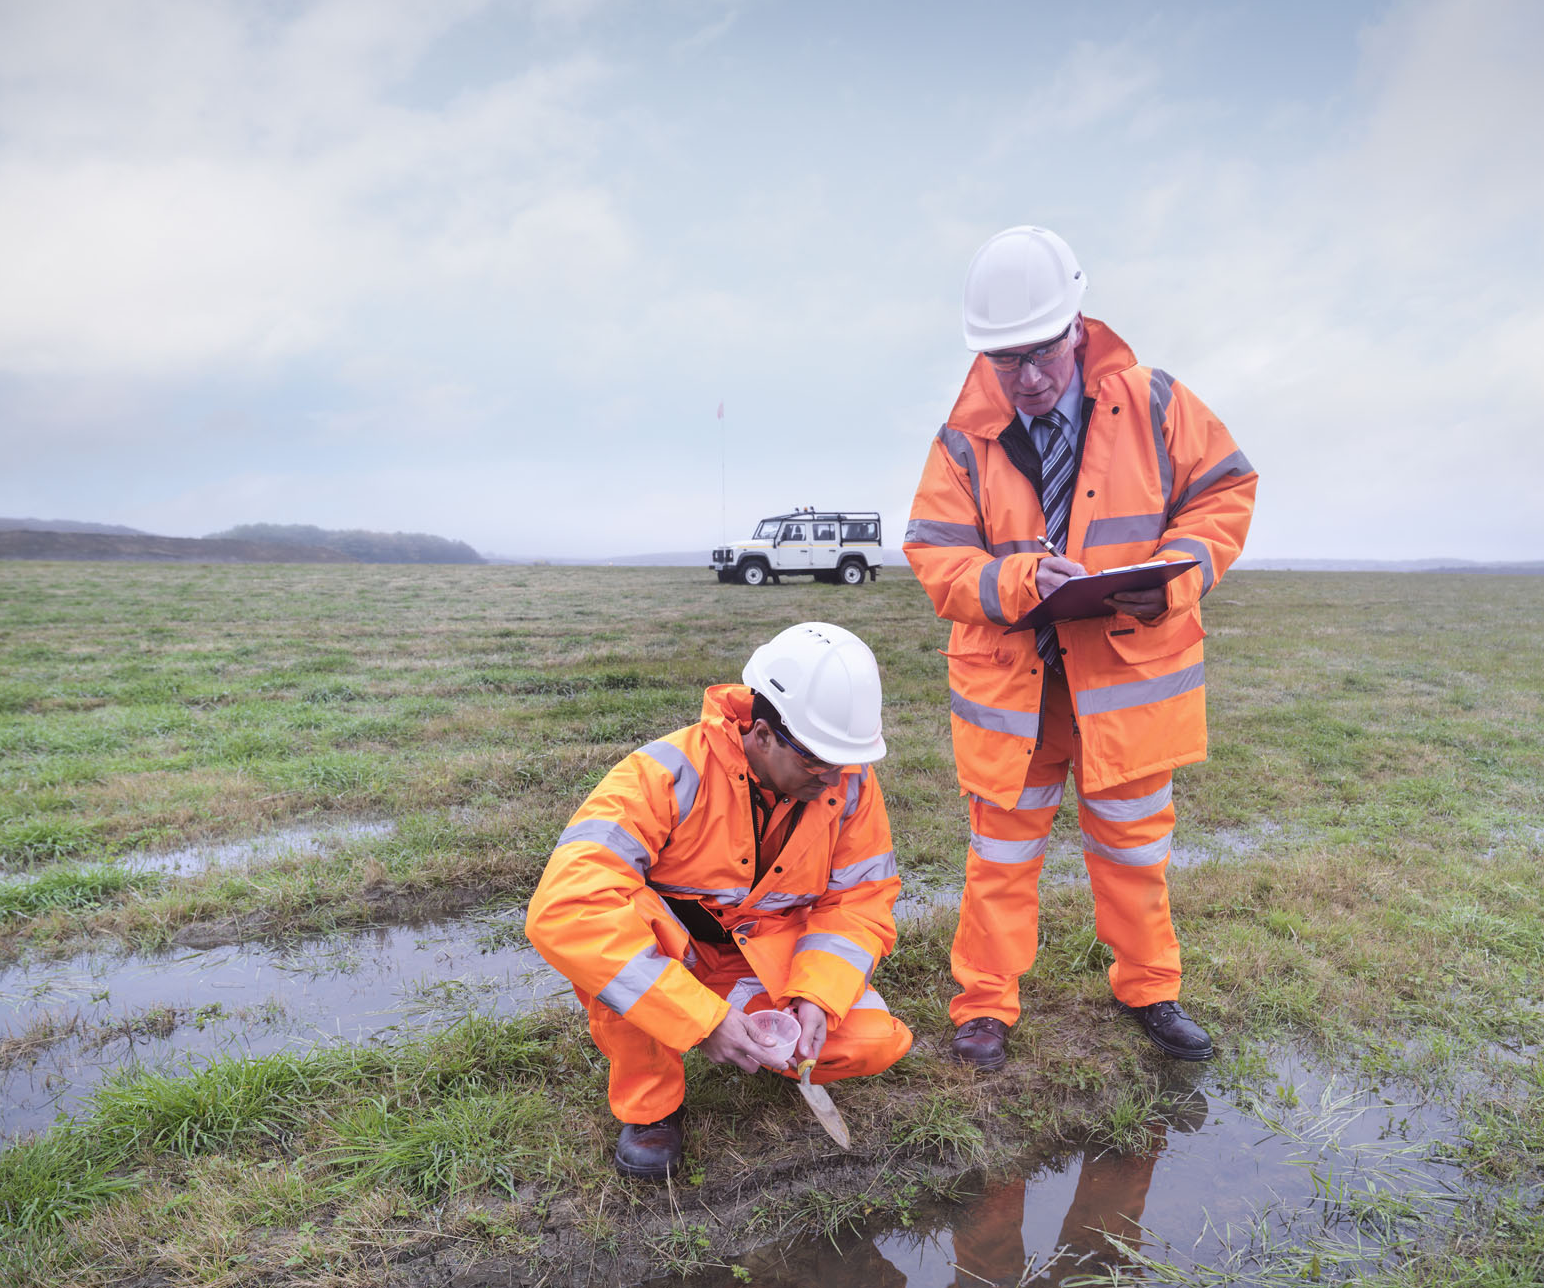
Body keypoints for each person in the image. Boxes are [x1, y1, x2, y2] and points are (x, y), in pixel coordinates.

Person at [904, 225, 1257, 1071]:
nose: (1026, 378)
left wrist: (1178, 577)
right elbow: (935, 555)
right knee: (1001, 855)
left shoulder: (1158, 402)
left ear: (1076, 327)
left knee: (1136, 848)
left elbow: (1225, 492)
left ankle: (1150, 990)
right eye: (1004, 360)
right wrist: (1021, 581)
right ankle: (984, 1006)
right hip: (1015, 693)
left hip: (1126, 682)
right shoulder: (962, 437)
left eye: (1039, 353)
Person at [525, 622, 914, 1178]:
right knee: (619, 932)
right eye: (815, 762)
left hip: (763, 955)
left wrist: (818, 996)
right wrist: (701, 1020)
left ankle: (761, 1036)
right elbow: (567, 908)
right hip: (675, 957)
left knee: (872, 1042)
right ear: (760, 734)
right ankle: (652, 1108)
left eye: (842, 762)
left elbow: (860, 899)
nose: (831, 778)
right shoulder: (661, 775)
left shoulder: (847, 780)